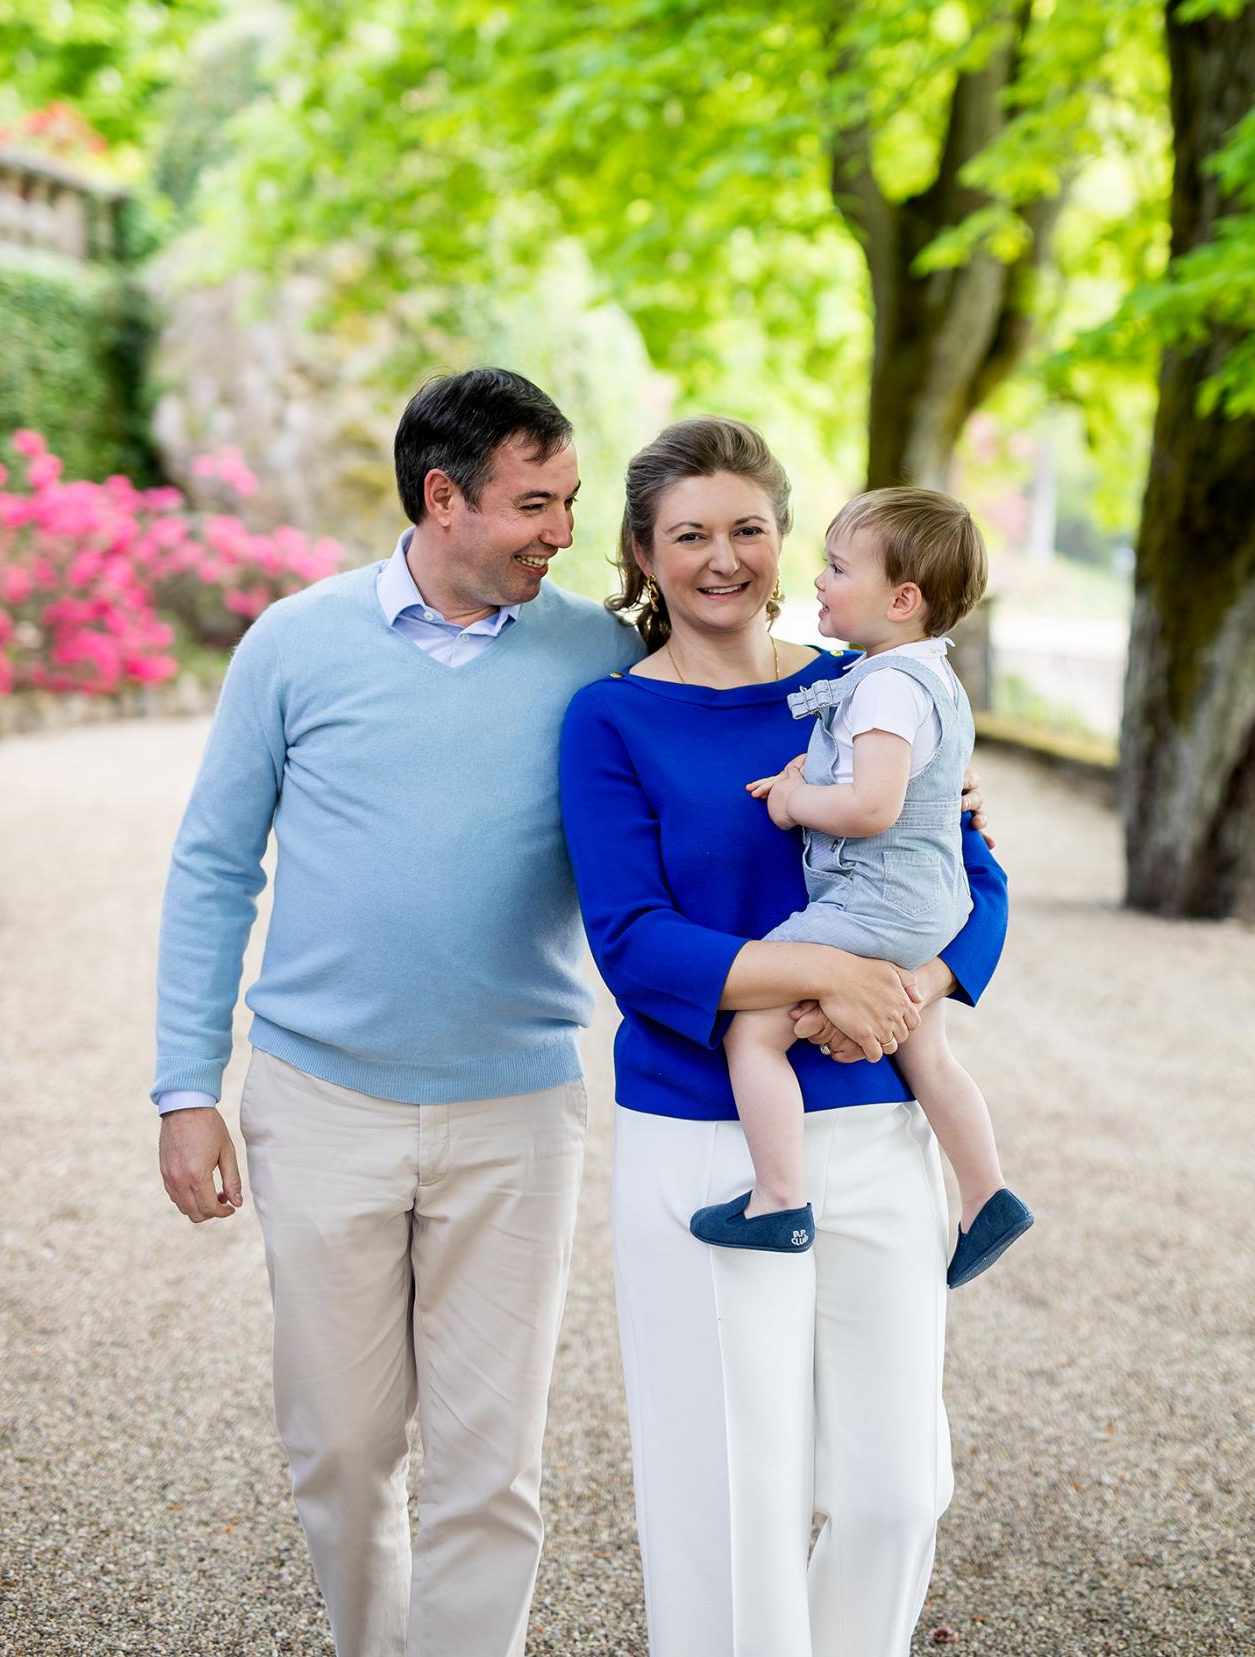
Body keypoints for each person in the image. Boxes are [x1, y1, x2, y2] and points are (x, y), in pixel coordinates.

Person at [152, 368, 644, 1657]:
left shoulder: (598, 652)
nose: (561, 531)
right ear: (441, 498)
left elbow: (728, 740)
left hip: (516, 1111)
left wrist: (907, 771)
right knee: (342, 1448)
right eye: (535, 504)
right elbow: (214, 864)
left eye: (571, 503)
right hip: (320, 1104)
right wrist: (183, 1087)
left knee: (494, 1463)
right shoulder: (293, 643)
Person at [559, 416, 1008, 1657]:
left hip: (873, 1125)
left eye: (748, 528)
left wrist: (909, 989)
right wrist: (828, 974)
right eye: (688, 534)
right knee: (728, 1510)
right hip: (707, 1139)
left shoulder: (871, 686)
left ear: (783, 538)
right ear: (643, 554)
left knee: (894, 1490)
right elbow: (633, 941)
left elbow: (976, 877)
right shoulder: (607, 721)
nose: (723, 558)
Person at [691, 486, 1032, 1288]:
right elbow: (889, 774)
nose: (818, 579)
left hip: (877, 899)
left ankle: (778, 1197)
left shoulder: (884, 685)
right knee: (930, 1054)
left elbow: (872, 805)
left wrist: (791, 800)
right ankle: (987, 1194)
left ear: (902, 598)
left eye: (839, 568)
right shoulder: (921, 675)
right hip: (928, 901)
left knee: (754, 1030)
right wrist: (809, 767)